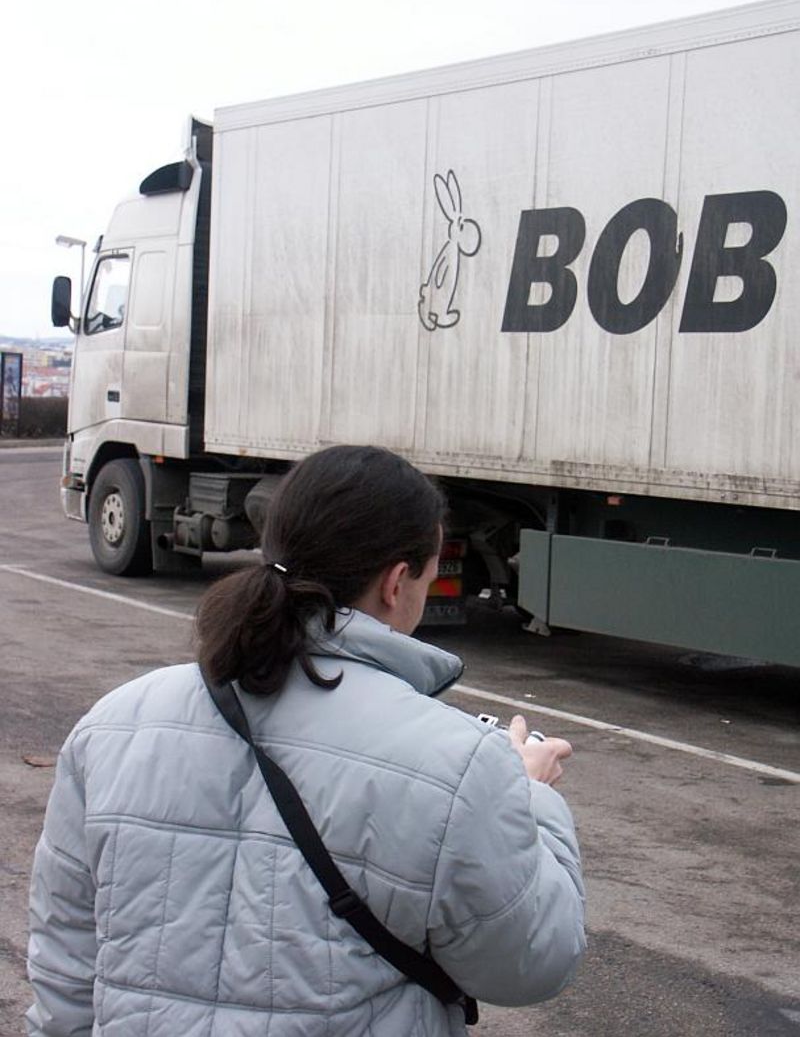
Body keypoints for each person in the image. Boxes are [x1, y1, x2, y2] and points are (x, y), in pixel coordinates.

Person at [26, 444, 585, 1036]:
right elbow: (531, 962)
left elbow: (66, 960)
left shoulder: (113, 723)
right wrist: (530, 798)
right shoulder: (460, 762)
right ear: (397, 583)